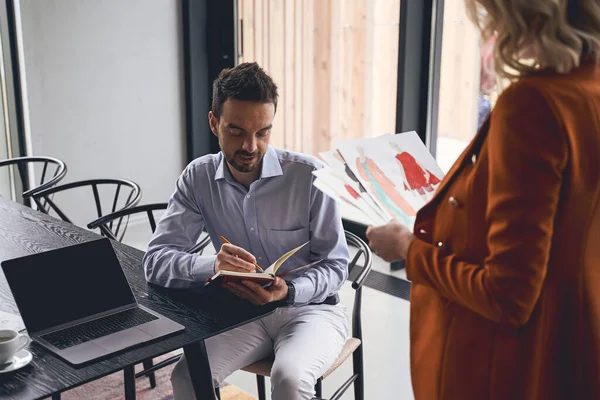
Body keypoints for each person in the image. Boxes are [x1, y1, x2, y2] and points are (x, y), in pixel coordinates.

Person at [366, 1, 600, 399]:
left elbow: (507, 295)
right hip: (576, 346)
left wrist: (409, 248)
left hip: (515, 366)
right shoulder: (588, 88)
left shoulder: (534, 104)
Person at [143, 62, 349, 400]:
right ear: (214, 122)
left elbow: (337, 267)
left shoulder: (310, 176)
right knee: (187, 378)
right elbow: (155, 261)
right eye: (236, 131)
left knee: (289, 379)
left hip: (311, 310)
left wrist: (289, 291)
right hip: (240, 314)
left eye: (263, 132)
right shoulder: (198, 178)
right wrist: (213, 265)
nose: (250, 146)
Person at [355, 145, 416, 225]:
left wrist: (389, 182)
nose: (361, 152)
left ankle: (406, 216)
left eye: (361, 150)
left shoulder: (369, 160)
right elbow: (361, 173)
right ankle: (398, 217)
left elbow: (380, 171)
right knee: (385, 202)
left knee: (396, 198)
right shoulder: (358, 161)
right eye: (359, 150)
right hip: (373, 185)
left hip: (381, 182)